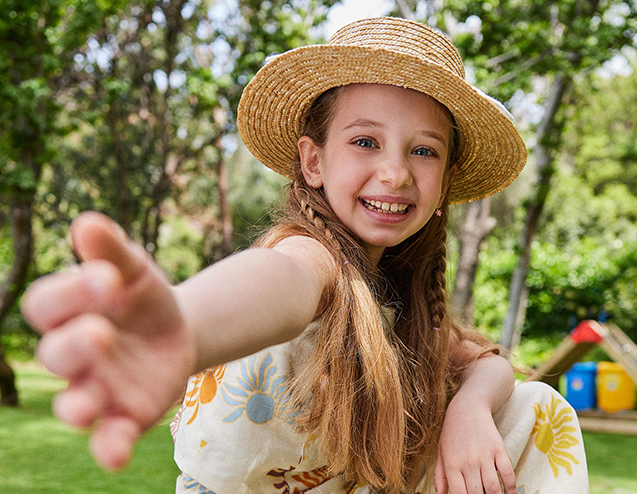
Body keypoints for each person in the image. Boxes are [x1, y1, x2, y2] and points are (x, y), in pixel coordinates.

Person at [22, 16, 589, 494]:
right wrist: (186, 325)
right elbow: (277, 281)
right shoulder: (313, 259)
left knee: (531, 405)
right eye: (365, 141)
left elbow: (484, 359)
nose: (395, 172)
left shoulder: (398, 300)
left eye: (423, 150)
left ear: (444, 184)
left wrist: (469, 410)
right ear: (313, 163)